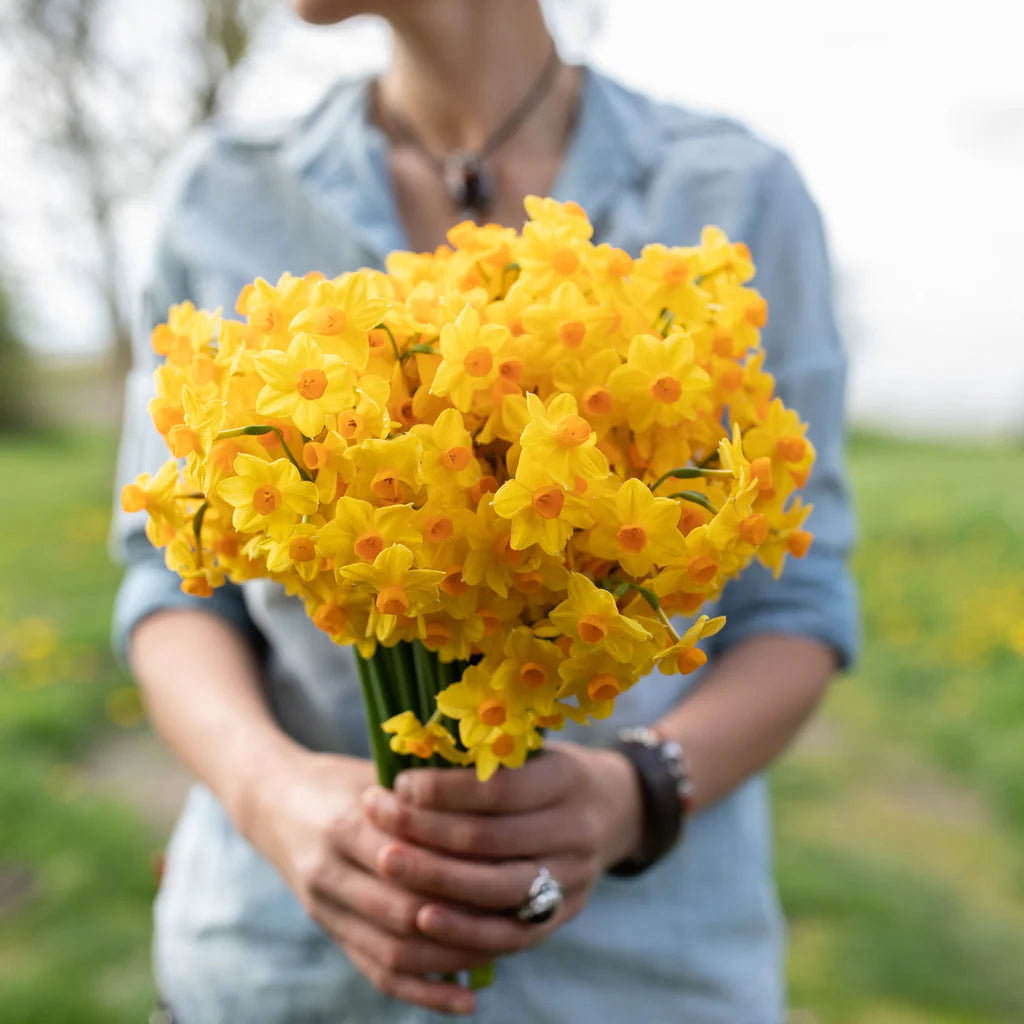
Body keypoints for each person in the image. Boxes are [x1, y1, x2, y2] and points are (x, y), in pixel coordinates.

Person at [112, 1, 859, 1021]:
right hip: (280, 968)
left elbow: (798, 597)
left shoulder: (734, 189)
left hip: (638, 982)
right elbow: (169, 578)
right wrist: (267, 794)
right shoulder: (223, 189)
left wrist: (640, 791)